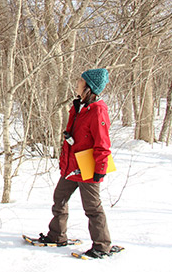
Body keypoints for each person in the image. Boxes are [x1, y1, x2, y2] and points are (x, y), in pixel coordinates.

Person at [38, 68, 116, 259]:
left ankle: (101, 245)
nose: (78, 83)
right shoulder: (79, 106)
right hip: (72, 166)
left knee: (92, 207)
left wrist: (100, 170)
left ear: (89, 86)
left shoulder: (98, 111)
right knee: (60, 197)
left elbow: (103, 144)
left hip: (88, 167)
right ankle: (57, 235)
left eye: (81, 81)